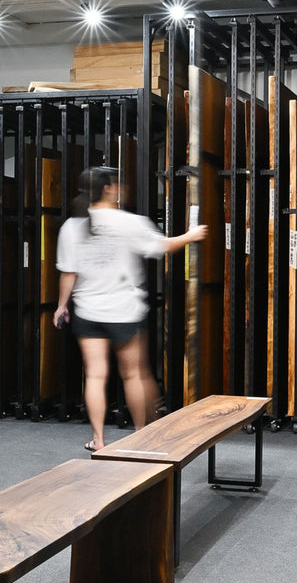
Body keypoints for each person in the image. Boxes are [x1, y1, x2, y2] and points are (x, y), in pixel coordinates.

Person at [54, 166, 207, 452]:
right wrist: (191, 235)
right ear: (108, 189)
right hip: (124, 311)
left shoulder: (71, 227)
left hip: (88, 311)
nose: (121, 188)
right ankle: (141, 437)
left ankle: (98, 440)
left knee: (96, 376)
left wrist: (62, 306)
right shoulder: (130, 222)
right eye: (117, 184)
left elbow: (68, 273)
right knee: (133, 374)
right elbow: (161, 246)